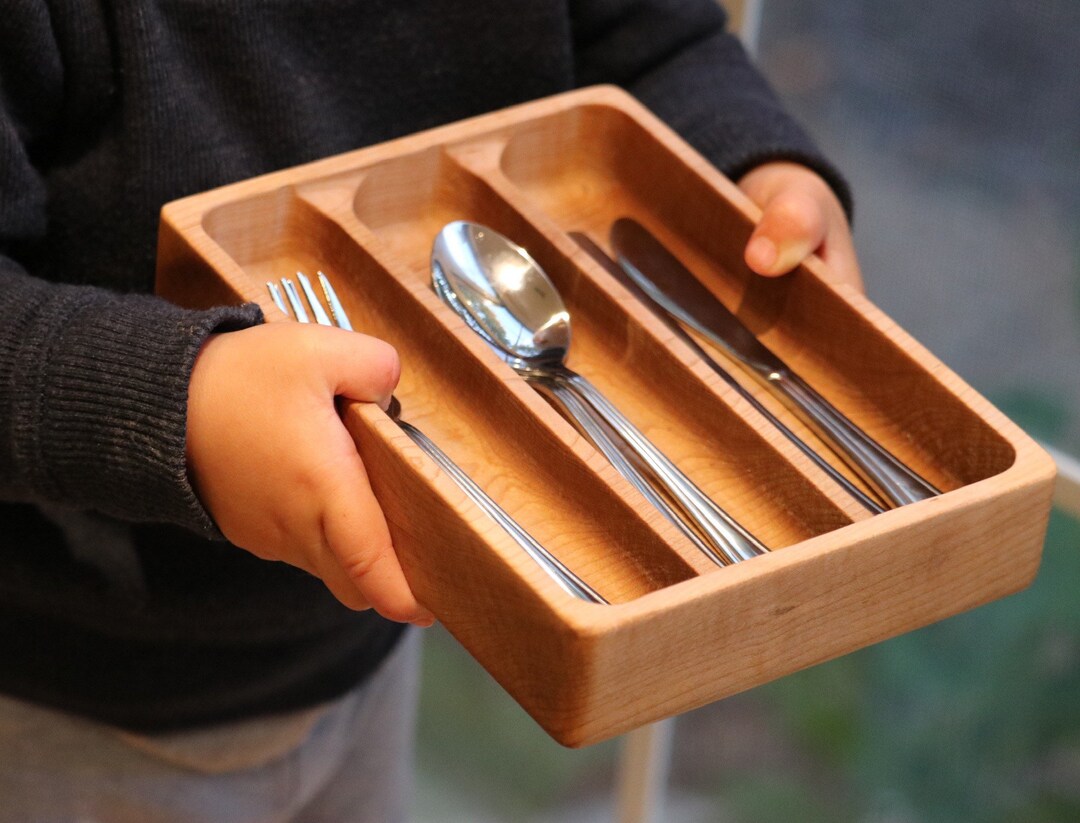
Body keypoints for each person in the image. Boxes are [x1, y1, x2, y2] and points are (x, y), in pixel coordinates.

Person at [0, 1, 860, 820]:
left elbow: (653, 38)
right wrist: (178, 401)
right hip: (64, 697)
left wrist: (754, 164)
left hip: (361, 646)